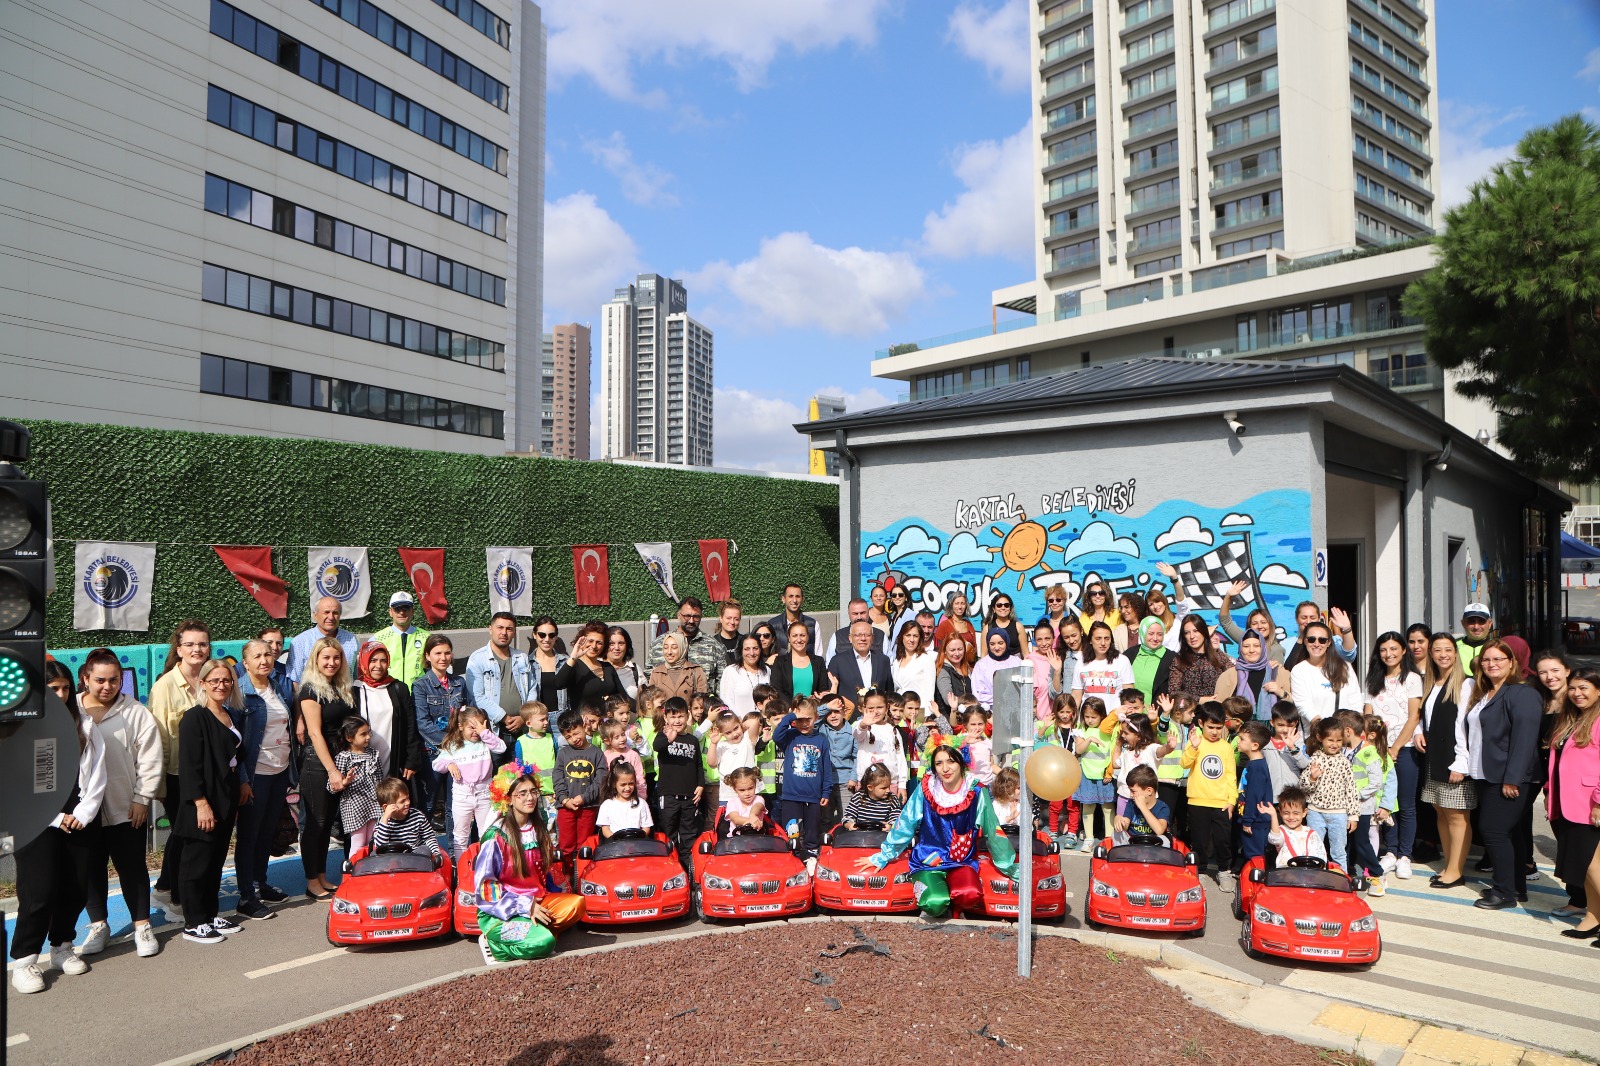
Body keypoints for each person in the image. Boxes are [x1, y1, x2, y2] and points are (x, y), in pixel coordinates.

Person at [10, 663, 106, 994]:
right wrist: (55, 817)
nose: (62, 695)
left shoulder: (86, 725)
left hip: (79, 818)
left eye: (65, 688)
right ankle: (24, 961)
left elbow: (97, 774)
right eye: (53, 689)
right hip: (37, 822)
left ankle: (61, 947)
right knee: (38, 893)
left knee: (75, 887)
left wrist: (84, 811)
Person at [71, 650, 163, 956]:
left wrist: (142, 799)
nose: (107, 686)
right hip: (83, 810)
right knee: (89, 869)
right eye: (99, 680)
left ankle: (142, 926)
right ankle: (99, 925)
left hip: (126, 807)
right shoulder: (69, 711)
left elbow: (150, 759)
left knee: (132, 867)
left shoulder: (135, 712)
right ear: (85, 678)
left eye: (114, 680)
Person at [857, 743, 1016, 918]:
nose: (945, 768)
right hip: (928, 861)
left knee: (969, 894)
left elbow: (992, 830)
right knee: (935, 902)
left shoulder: (976, 791)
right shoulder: (926, 789)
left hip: (961, 862)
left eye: (951, 761)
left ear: (962, 763)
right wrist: (883, 855)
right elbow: (905, 823)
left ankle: (956, 910)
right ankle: (939, 903)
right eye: (939, 763)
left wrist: (1008, 865)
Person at [1456, 639, 1543, 910]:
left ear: (1511, 663)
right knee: (1511, 832)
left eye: (1498, 659)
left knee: (1492, 830)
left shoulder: (1522, 693)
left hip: (1510, 777)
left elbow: (1524, 740)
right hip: (1485, 773)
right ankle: (1517, 885)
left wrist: (1512, 779)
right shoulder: (1484, 693)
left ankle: (1504, 891)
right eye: (1486, 660)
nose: (1491, 664)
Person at [474, 765, 584, 964]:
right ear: (508, 799)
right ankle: (496, 944)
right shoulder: (495, 836)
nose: (530, 798)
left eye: (533, 792)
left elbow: (543, 873)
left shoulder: (537, 828)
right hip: (501, 913)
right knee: (544, 942)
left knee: (577, 904)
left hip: (538, 900)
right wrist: (524, 906)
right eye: (522, 793)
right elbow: (486, 889)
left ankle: (532, 930)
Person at [175, 659, 245, 945]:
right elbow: (189, 766)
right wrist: (201, 802)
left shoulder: (230, 714)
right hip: (202, 801)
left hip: (225, 797)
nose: (221, 685)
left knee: (215, 861)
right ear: (202, 683)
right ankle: (193, 922)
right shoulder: (194, 717)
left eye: (226, 680)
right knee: (197, 863)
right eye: (214, 680)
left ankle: (210, 914)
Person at [148, 619, 210, 917]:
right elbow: (158, 739)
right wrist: (158, 786)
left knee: (184, 834)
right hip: (177, 777)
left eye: (202, 644)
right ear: (179, 649)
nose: (196, 649)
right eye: (190, 644)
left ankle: (164, 885)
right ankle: (177, 897)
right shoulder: (165, 687)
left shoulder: (213, 678)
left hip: (207, 774)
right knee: (186, 836)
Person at [233, 639, 296, 921]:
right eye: (257, 656)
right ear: (245, 663)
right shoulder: (240, 693)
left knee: (266, 831)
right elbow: (236, 744)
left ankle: (260, 882)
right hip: (254, 774)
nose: (264, 660)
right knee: (249, 835)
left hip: (279, 773)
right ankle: (246, 896)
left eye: (268, 655)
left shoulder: (278, 687)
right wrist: (242, 779)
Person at [297, 636, 357, 899]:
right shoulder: (310, 689)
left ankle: (321, 876)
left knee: (327, 823)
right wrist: (332, 770)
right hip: (317, 763)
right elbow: (315, 734)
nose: (331, 662)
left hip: (340, 759)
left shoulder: (340, 686)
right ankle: (312, 881)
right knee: (317, 823)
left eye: (336, 658)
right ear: (316, 660)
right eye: (326, 658)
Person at [1363, 632, 1423, 878]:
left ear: (1403, 651)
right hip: (1377, 753)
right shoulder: (1372, 680)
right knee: (1385, 803)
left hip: (1404, 749)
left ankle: (1405, 855)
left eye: (1394, 649)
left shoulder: (1411, 678)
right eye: (1384, 650)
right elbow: (1367, 715)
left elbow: (1414, 716)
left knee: (1406, 804)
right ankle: (1391, 851)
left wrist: (1396, 747)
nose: (1389, 654)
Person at [1419, 632, 1476, 888]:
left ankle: (1456, 870)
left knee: (1456, 815)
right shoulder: (1431, 682)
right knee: (1440, 811)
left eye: (1448, 649)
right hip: (1434, 756)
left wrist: (1461, 763)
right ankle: (1448, 864)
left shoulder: (1466, 684)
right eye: (1437, 650)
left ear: (1456, 653)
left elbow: (1465, 725)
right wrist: (1419, 732)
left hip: (1454, 758)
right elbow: (1425, 716)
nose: (1443, 655)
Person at [1547, 670, 1600, 937]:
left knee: (1594, 866)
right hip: (1569, 804)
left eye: (1584, 687)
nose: (1577, 693)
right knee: (1586, 867)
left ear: (1599, 690)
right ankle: (1593, 916)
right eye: (1573, 688)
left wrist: (1599, 802)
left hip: (1591, 806)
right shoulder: (1572, 718)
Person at [772, 697, 836, 869]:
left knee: (812, 831)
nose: (804, 724)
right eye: (800, 720)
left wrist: (826, 791)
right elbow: (776, 735)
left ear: (816, 717)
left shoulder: (821, 739)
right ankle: (793, 859)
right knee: (792, 830)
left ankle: (811, 858)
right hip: (791, 796)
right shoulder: (790, 736)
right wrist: (791, 716)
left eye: (808, 719)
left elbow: (826, 768)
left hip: (813, 796)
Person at [433, 706, 505, 857]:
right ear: (461, 727)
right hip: (462, 796)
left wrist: (485, 733)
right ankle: (461, 869)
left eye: (479, 727)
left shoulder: (485, 742)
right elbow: (436, 764)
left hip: (484, 794)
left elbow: (501, 748)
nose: (475, 732)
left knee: (487, 832)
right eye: (471, 727)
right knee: (460, 836)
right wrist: (449, 764)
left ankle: (487, 865)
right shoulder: (454, 745)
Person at [412, 634, 466, 832]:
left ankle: (455, 854)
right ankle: (422, 853)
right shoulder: (420, 685)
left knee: (455, 807)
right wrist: (450, 744)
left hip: (459, 753)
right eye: (437, 653)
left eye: (447, 653)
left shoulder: (459, 682)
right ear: (428, 656)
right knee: (428, 804)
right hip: (432, 753)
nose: (443, 658)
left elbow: (467, 715)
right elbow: (423, 724)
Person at [353, 641, 426, 785]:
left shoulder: (399, 688)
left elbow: (410, 725)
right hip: (362, 761)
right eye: (373, 660)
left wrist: (411, 759)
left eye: (383, 661)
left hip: (393, 758)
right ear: (363, 660)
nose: (378, 666)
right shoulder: (354, 690)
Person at [1181, 703, 1238, 882]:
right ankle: (1202, 870)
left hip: (1221, 801)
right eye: (1210, 727)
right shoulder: (1195, 743)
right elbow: (1184, 764)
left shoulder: (1226, 747)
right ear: (1200, 723)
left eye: (1218, 728)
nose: (1214, 732)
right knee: (1199, 840)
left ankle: (1223, 870)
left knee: (1223, 839)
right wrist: (1193, 747)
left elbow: (1230, 775)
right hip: (1197, 800)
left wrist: (1231, 800)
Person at [466, 613, 535, 752]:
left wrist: (524, 716)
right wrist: (504, 717)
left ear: (514, 632)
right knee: (495, 772)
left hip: (522, 729)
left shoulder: (521, 657)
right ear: (490, 629)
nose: (504, 632)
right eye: (500, 627)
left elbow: (532, 688)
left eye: (509, 629)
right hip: (492, 731)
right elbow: (477, 696)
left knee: (523, 772)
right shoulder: (477, 659)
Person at [553, 709, 607, 879]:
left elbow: (601, 780)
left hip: (588, 807)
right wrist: (564, 799)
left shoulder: (596, 753)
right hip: (566, 807)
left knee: (585, 845)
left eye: (576, 733)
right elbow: (557, 777)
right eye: (568, 736)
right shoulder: (563, 753)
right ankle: (566, 877)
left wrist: (584, 798)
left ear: (584, 726)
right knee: (566, 845)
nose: (574, 739)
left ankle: (584, 875)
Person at [1300, 717, 1359, 870]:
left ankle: (1341, 880)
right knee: (1315, 849)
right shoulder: (1315, 758)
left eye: (1338, 740)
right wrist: (1312, 778)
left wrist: (1353, 815)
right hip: (1315, 812)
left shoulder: (1344, 761)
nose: (1334, 744)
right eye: (1330, 740)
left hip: (1339, 814)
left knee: (1339, 851)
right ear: (1320, 738)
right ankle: (1315, 878)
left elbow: (1351, 789)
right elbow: (1303, 785)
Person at [652, 698, 705, 868]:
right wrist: (669, 738)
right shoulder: (663, 736)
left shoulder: (692, 740)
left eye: (681, 716)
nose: (677, 721)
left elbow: (698, 765)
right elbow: (656, 746)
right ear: (665, 717)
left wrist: (700, 785)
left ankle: (688, 868)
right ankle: (669, 867)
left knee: (689, 833)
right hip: (668, 795)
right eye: (673, 717)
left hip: (689, 796)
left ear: (687, 716)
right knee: (669, 832)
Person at [646, 597, 726, 697]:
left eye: (696, 617)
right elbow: (648, 678)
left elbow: (722, 681)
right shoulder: (658, 644)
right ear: (679, 616)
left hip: (702, 708)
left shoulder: (714, 645)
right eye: (687, 616)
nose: (691, 621)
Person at [1289, 621, 1362, 727]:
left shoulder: (1344, 667)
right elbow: (1303, 704)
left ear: (1329, 643)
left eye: (1322, 640)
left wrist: (1357, 727)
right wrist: (1322, 729)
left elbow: (1355, 700)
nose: (1316, 644)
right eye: (1311, 639)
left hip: (1345, 734)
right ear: (1305, 641)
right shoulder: (1299, 670)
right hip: (1316, 734)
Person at [332, 717, 382, 854]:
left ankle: (372, 870)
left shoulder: (373, 754)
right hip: (354, 806)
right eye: (363, 734)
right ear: (349, 738)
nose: (368, 737)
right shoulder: (343, 757)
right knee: (358, 842)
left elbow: (380, 779)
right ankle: (353, 871)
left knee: (375, 840)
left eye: (368, 733)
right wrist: (344, 782)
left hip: (374, 803)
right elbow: (330, 787)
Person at [1072, 697, 1116, 850]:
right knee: (1088, 807)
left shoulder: (1108, 731)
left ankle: (1109, 839)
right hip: (1087, 774)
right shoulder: (1081, 730)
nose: (1090, 720)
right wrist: (1089, 739)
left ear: (1101, 716)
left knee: (1108, 807)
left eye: (1094, 717)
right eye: (1087, 716)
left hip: (1104, 775)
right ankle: (1089, 838)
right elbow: (1078, 750)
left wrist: (1109, 772)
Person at [828, 619, 896, 714]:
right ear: (850, 638)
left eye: (867, 635)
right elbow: (832, 693)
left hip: (878, 719)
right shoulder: (837, 661)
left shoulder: (883, 660)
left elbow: (889, 692)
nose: (863, 639)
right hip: (849, 720)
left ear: (872, 638)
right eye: (858, 635)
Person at [286, 596, 359, 684]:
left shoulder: (351, 640)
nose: (331, 617)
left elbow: (355, 676)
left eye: (335, 613)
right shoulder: (300, 642)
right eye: (326, 612)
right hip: (312, 696)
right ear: (315, 615)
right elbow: (295, 680)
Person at [555, 622, 626, 711]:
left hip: (606, 722)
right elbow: (559, 683)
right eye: (590, 641)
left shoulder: (608, 667)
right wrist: (573, 657)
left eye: (599, 643)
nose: (594, 646)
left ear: (604, 646)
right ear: (582, 641)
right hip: (583, 722)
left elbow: (622, 696)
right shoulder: (575, 666)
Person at [854, 690, 909, 799]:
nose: (875, 712)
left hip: (890, 784)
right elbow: (857, 734)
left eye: (879, 707)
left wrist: (902, 785)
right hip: (867, 784)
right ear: (865, 708)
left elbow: (900, 758)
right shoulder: (862, 726)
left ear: (887, 707)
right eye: (871, 708)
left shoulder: (893, 730)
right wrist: (864, 724)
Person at [1168, 616, 1237, 703]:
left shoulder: (1218, 655)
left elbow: (1233, 675)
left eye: (1196, 631)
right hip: (1190, 713)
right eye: (1187, 633)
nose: (1192, 636)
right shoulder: (1179, 661)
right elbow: (1173, 693)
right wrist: (1199, 700)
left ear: (1204, 632)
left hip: (1216, 712)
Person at [371, 778, 442, 861]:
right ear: (387, 807)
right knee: (374, 855)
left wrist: (436, 853)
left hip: (414, 859)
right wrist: (385, 820)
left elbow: (429, 837)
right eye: (402, 801)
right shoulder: (382, 822)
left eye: (408, 798)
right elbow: (380, 847)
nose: (407, 803)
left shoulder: (418, 816)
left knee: (424, 850)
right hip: (391, 861)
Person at [1219, 580, 1287, 664]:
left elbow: (1277, 675)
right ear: (1249, 627)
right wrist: (1228, 596)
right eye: (1254, 623)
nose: (1259, 626)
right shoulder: (1244, 639)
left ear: (1270, 625)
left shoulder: (1276, 650)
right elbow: (1226, 622)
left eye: (1263, 622)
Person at [1235, 722, 1275, 864]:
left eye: (1242, 739)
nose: (1238, 742)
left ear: (1254, 745)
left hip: (1255, 821)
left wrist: (1248, 821)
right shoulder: (1253, 764)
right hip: (1252, 819)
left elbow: (1254, 796)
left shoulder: (1257, 768)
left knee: (1255, 856)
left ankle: (1255, 882)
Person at [371, 591, 429, 688]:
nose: (402, 612)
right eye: (397, 609)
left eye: (406, 608)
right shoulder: (377, 639)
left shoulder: (426, 638)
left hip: (419, 695)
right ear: (390, 612)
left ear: (412, 611)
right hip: (388, 692)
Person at [1264, 786, 1327, 867]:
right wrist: (1273, 815)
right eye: (1286, 813)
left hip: (1308, 876)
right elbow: (1275, 839)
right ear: (1280, 812)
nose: (1291, 817)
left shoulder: (1311, 834)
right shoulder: (1282, 831)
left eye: (1296, 813)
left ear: (1304, 813)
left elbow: (1321, 857)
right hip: (1286, 875)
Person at [1283, 602, 1358, 669]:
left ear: (1319, 619)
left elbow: (1349, 656)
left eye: (1312, 617)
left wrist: (1347, 629)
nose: (1308, 621)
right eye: (1304, 617)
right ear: (1297, 619)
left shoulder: (1330, 641)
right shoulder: (1285, 644)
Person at [1074, 621, 1135, 704]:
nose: (1103, 643)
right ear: (1090, 640)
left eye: (1107, 638)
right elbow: (1076, 695)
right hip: (1088, 716)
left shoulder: (1122, 661)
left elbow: (1129, 696)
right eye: (1098, 638)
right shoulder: (1081, 662)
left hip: (1114, 716)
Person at [526, 615, 571, 718]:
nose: (547, 639)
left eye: (551, 635)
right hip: (536, 719)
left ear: (556, 636)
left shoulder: (565, 661)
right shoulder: (526, 662)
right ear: (534, 635)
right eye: (542, 635)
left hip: (562, 719)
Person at [970, 628, 1023, 713]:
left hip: (1015, 712)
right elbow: (978, 693)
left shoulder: (1017, 662)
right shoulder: (981, 665)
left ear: (1007, 642)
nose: (997, 647)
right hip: (990, 715)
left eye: (1000, 643)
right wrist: (1001, 698)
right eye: (992, 644)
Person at [1125, 616, 1174, 705]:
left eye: (1159, 634)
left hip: (1156, 716)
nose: (1155, 638)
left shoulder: (1171, 659)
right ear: (1143, 633)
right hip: (1129, 714)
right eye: (1151, 633)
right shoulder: (1129, 654)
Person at [1232, 631, 1281, 721]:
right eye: (1246, 646)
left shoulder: (1276, 671)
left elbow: (1292, 702)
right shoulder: (1230, 674)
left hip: (1272, 731)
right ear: (1240, 649)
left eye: (1256, 646)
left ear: (1263, 647)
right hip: (1239, 731)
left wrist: (1280, 692)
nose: (1251, 650)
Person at [649, 631, 708, 704]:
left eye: (674, 647)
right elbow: (652, 703)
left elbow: (702, 701)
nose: (669, 652)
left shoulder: (695, 671)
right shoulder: (656, 673)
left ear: (683, 648)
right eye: (666, 647)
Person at [596, 764, 653, 839]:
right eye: (623, 785)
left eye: (631, 784)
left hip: (637, 844)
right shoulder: (607, 805)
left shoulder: (642, 803)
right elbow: (605, 829)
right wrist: (617, 840)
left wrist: (637, 838)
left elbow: (646, 827)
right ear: (614, 784)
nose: (627, 788)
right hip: (615, 846)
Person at [720, 634, 771, 716]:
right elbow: (726, 700)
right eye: (747, 649)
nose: (752, 653)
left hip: (764, 724)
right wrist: (740, 720)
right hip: (740, 723)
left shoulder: (766, 671)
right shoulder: (731, 671)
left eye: (755, 648)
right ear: (741, 651)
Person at [766, 583, 822, 655]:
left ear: (802, 599)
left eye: (798, 596)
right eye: (791, 596)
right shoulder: (772, 625)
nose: (794, 600)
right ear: (783, 599)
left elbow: (818, 654)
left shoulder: (813, 625)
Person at [891, 622, 939, 706]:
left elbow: (929, 693)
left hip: (918, 712)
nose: (912, 640)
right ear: (902, 637)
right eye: (908, 635)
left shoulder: (926, 660)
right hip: (900, 712)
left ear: (920, 639)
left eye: (915, 636)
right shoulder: (896, 662)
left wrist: (922, 717)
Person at [842, 763, 903, 830]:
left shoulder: (892, 799)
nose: (888, 790)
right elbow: (848, 816)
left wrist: (890, 826)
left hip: (882, 837)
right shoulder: (858, 797)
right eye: (884, 788)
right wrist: (850, 825)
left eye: (889, 786)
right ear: (870, 787)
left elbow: (896, 819)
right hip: (860, 837)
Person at [1027, 621, 1068, 721]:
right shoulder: (1029, 661)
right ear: (1035, 641)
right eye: (1039, 640)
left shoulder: (1059, 657)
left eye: (1047, 638)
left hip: (1057, 718)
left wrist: (1057, 671)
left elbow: (1056, 694)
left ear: (1054, 638)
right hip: (1037, 720)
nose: (1044, 643)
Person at [933, 633, 974, 720]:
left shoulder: (968, 669)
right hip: (951, 719)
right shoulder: (943, 671)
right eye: (952, 650)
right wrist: (970, 703)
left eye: (960, 649)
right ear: (945, 651)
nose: (957, 653)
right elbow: (949, 699)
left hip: (968, 719)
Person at [933, 590, 979, 659]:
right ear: (951, 605)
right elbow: (940, 650)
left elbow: (974, 647)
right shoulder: (945, 625)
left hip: (969, 666)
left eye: (962, 603)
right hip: (951, 665)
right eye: (956, 603)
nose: (960, 607)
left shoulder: (969, 625)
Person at [720, 766, 768, 833]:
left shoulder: (758, 799)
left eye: (750, 788)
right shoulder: (732, 803)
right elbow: (735, 818)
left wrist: (753, 814)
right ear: (735, 789)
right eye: (742, 790)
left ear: (755, 785)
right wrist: (750, 821)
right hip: (736, 840)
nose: (747, 793)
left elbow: (758, 806)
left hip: (758, 838)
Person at [983, 593, 1028, 658]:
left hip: (1015, 665)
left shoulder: (1018, 627)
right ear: (993, 609)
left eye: (1006, 605)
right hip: (994, 666)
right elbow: (984, 655)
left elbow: (1025, 653)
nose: (1003, 608)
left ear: (1010, 608)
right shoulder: (987, 628)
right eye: (999, 605)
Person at [604, 626, 641, 702]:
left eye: (621, 643)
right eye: (611, 644)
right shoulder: (597, 668)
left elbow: (645, 702)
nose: (616, 648)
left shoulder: (635, 670)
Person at [1456, 603, 1494, 673]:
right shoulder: (1453, 647)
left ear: (1490, 624)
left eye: (1481, 621)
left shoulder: (1497, 648)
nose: (1476, 627)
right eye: (1471, 621)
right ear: (1463, 623)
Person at [711, 597, 744, 666]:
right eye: (729, 618)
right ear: (721, 618)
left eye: (736, 619)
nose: (732, 622)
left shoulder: (744, 641)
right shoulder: (712, 643)